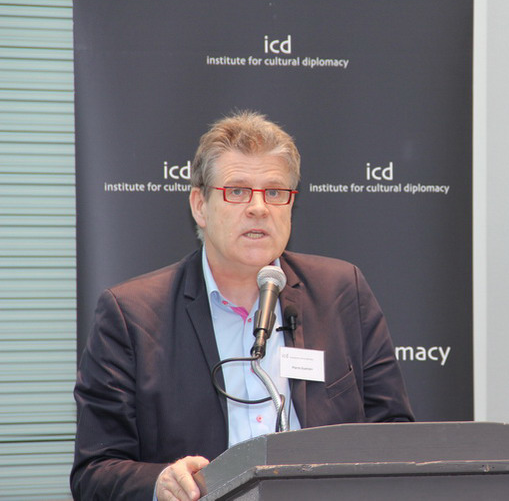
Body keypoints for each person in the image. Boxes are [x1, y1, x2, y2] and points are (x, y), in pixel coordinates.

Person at [71, 111, 414, 500]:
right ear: (200, 205)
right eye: (237, 191)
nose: (258, 208)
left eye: (275, 192)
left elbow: (394, 433)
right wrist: (161, 482)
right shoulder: (130, 315)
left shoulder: (342, 291)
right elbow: (94, 471)